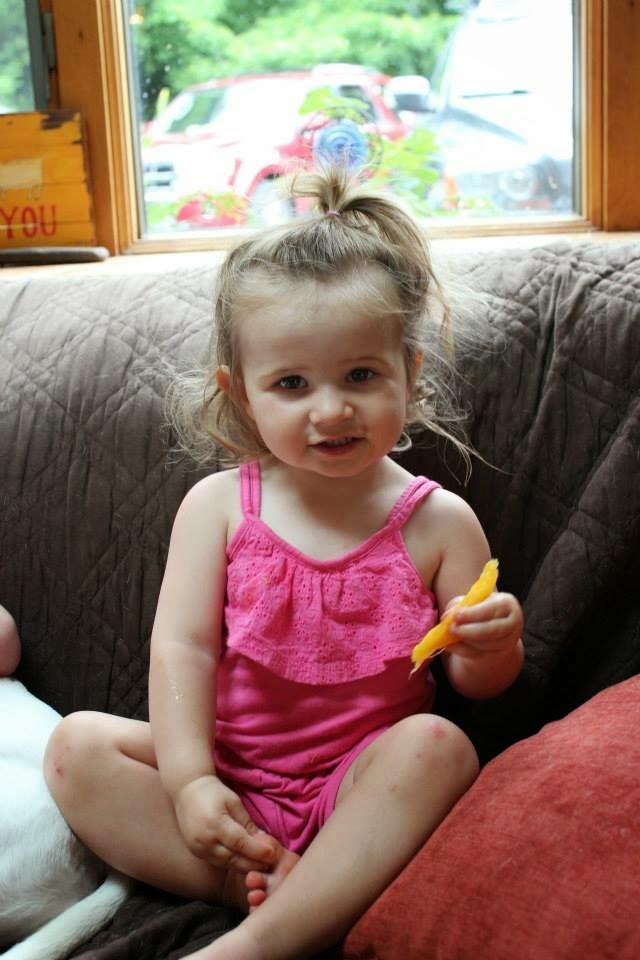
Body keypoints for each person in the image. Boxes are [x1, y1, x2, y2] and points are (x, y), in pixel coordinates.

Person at [44, 167, 524, 960]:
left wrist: (494, 643)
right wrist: (191, 784)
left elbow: (477, 684)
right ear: (243, 394)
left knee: (440, 747)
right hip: (229, 776)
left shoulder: (438, 523)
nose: (331, 409)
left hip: (360, 791)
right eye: (292, 384)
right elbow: (183, 650)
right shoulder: (219, 507)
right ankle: (266, 880)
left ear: (410, 371)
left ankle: (261, 941)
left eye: (361, 375)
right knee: (76, 747)